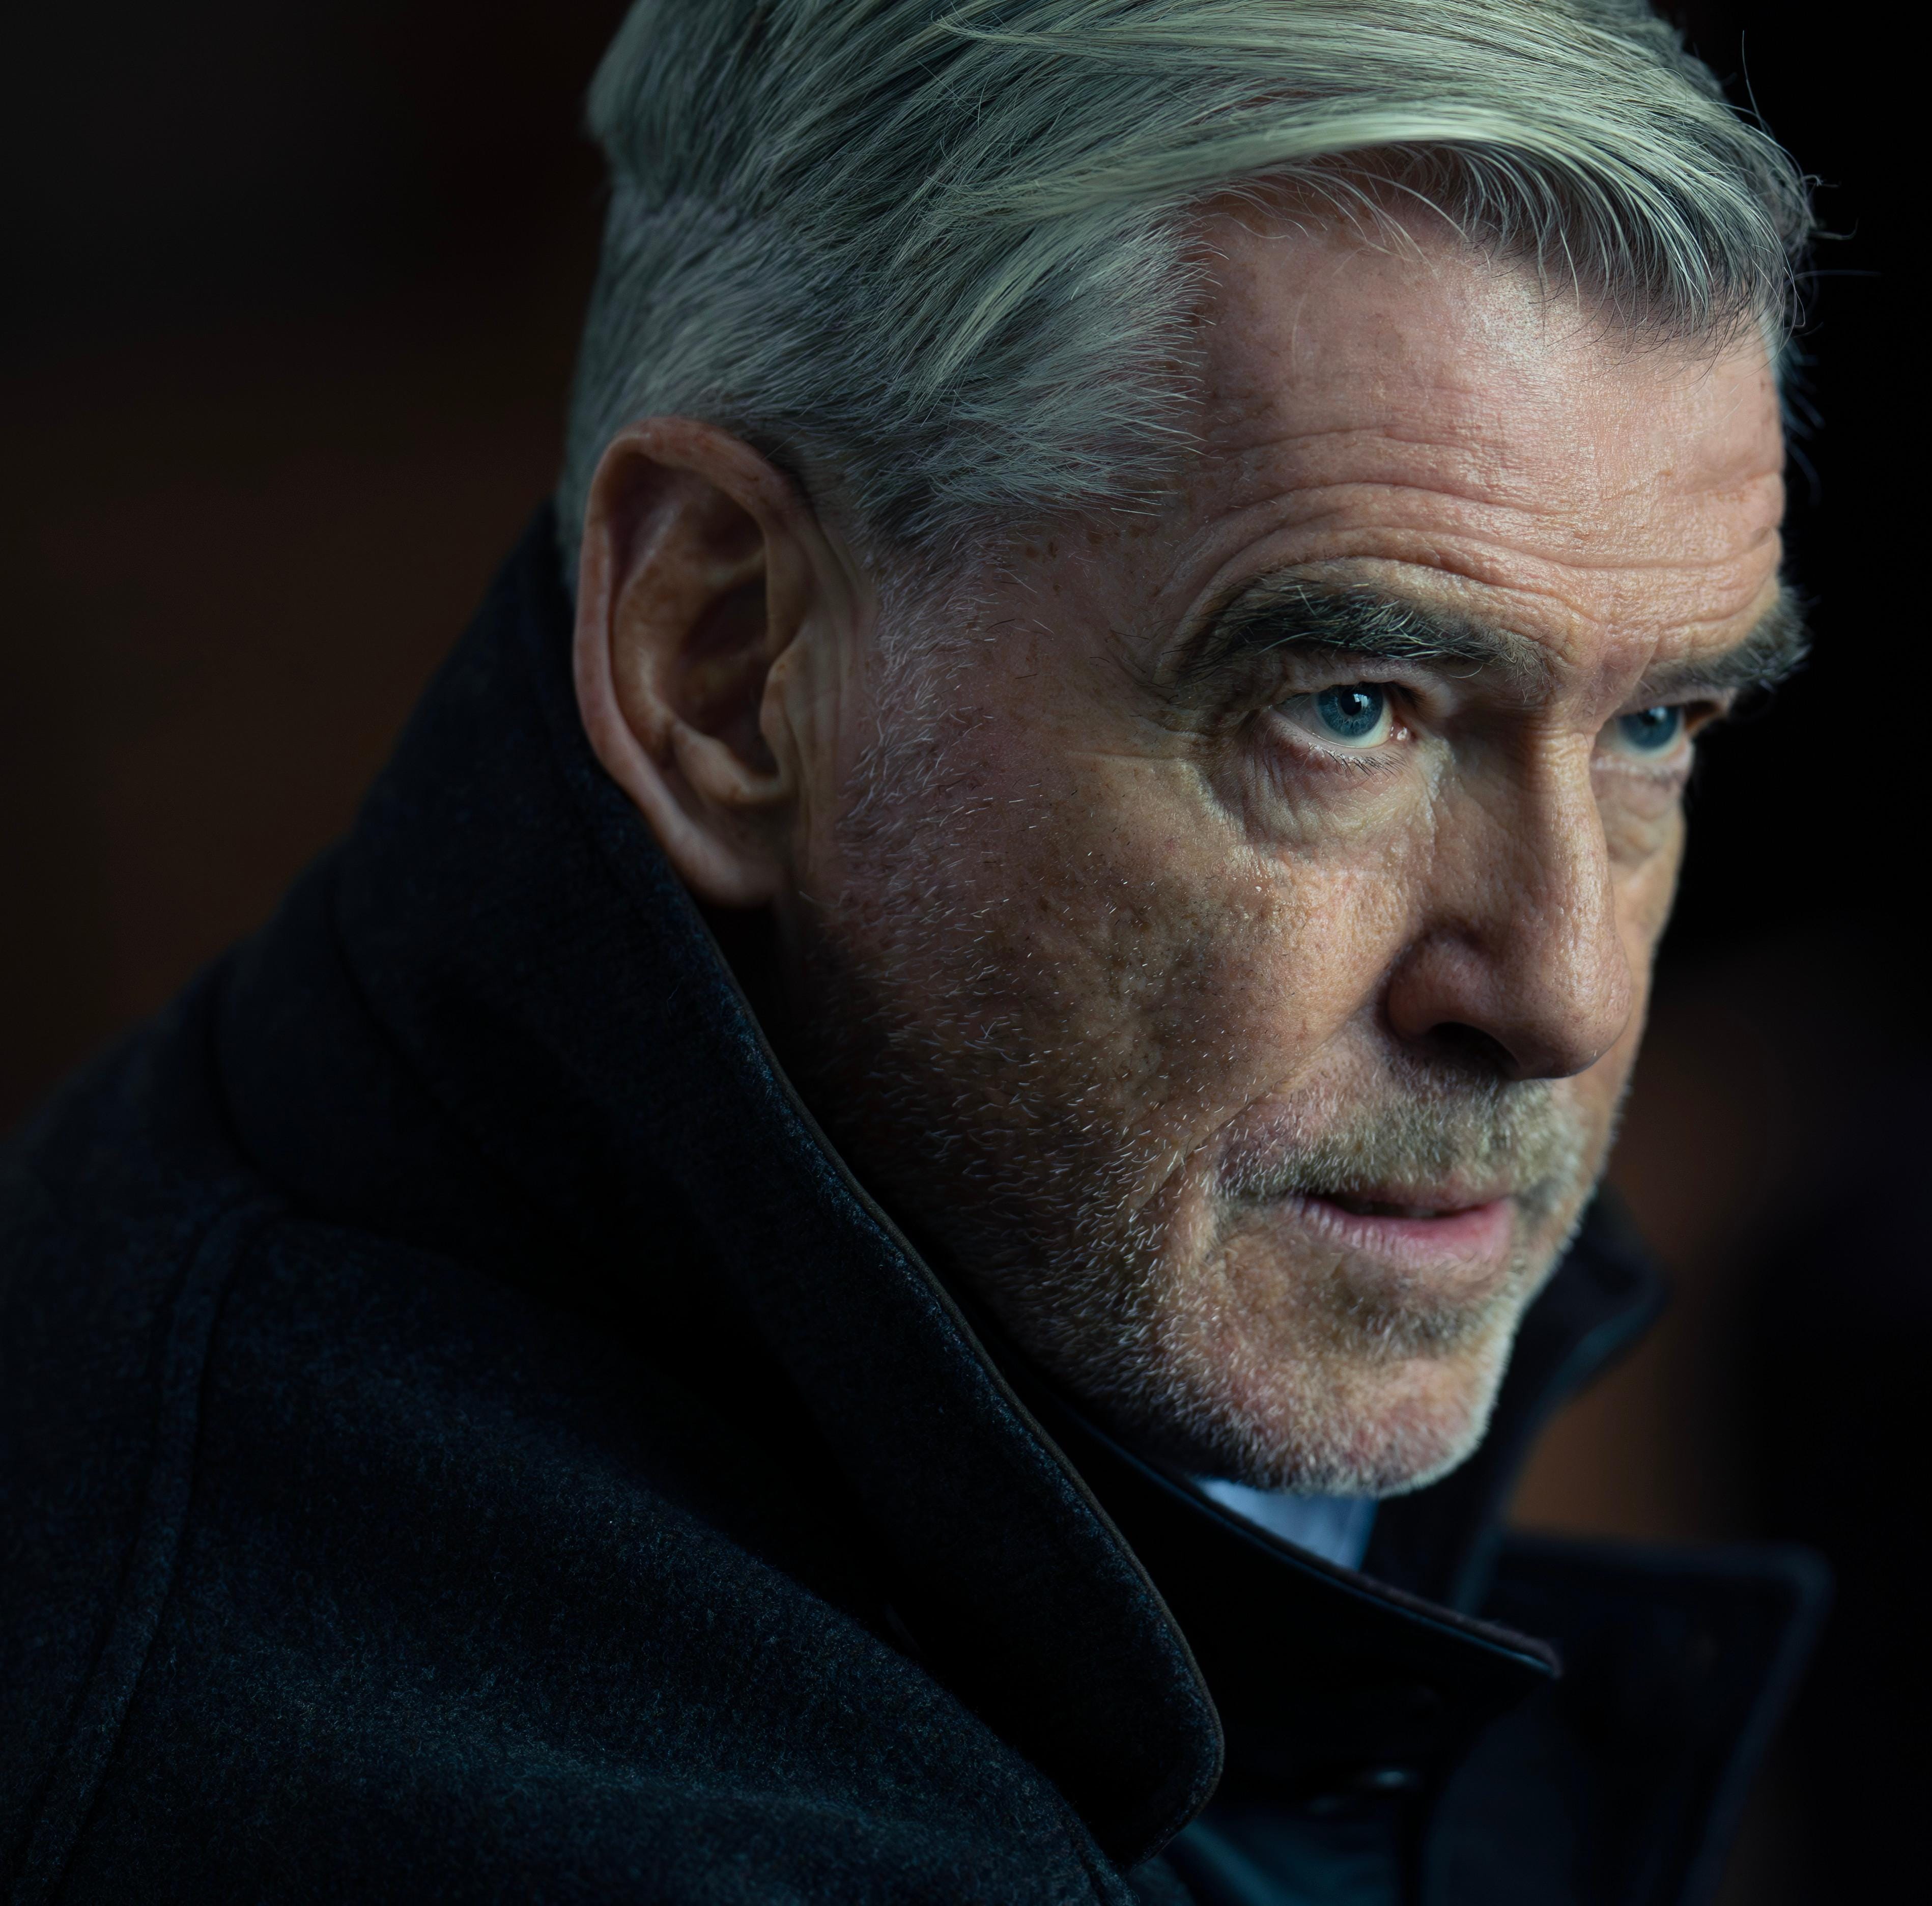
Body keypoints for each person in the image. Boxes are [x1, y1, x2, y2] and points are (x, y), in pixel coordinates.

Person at [1, 3, 1824, 1899]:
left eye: (1654, 727)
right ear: (727, 663)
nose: (1565, 995)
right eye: (1347, 708)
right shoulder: (461, 1811)